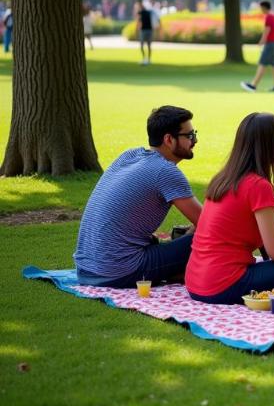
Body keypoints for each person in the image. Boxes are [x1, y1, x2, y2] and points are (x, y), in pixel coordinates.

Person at [185, 113, 274, 303]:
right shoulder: (258, 185)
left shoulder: (224, 179)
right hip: (223, 285)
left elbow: (269, 251)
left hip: (196, 283)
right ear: (269, 142)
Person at [74, 106, 203, 287]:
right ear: (168, 139)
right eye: (189, 136)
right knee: (209, 237)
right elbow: (208, 223)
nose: (195, 140)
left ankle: (180, 271)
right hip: (119, 272)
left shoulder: (128, 156)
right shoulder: (166, 171)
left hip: (87, 270)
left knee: (184, 238)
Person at [241, 0, 274, 93]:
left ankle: (253, 85)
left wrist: (261, 42)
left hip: (270, 44)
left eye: (261, 8)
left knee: (262, 64)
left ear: (264, 7)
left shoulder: (269, 17)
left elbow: (266, 31)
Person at [134, 0, 154, 65]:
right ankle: (146, 59)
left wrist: (136, 30)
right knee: (146, 45)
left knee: (145, 45)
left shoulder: (142, 10)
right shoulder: (144, 8)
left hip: (145, 29)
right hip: (148, 29)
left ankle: (147, 59)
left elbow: (138, 21)